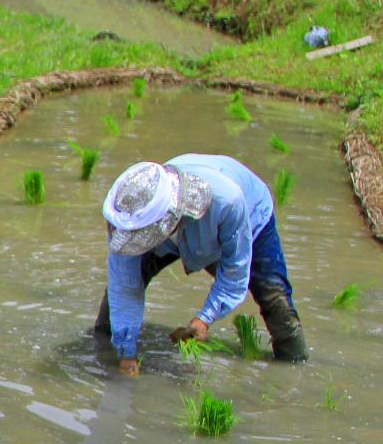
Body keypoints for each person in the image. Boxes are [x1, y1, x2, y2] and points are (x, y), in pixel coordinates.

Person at [98, 155, 307, 373]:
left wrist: (204, 319)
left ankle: (295, 370)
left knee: (273, 296)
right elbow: (124, 287)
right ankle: (102, 347)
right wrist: (126, 357)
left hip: (248, 217)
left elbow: (235, 273)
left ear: (167, 221)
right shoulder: (129, 218)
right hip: (177, 232)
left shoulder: (227, 202)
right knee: (114, 304)